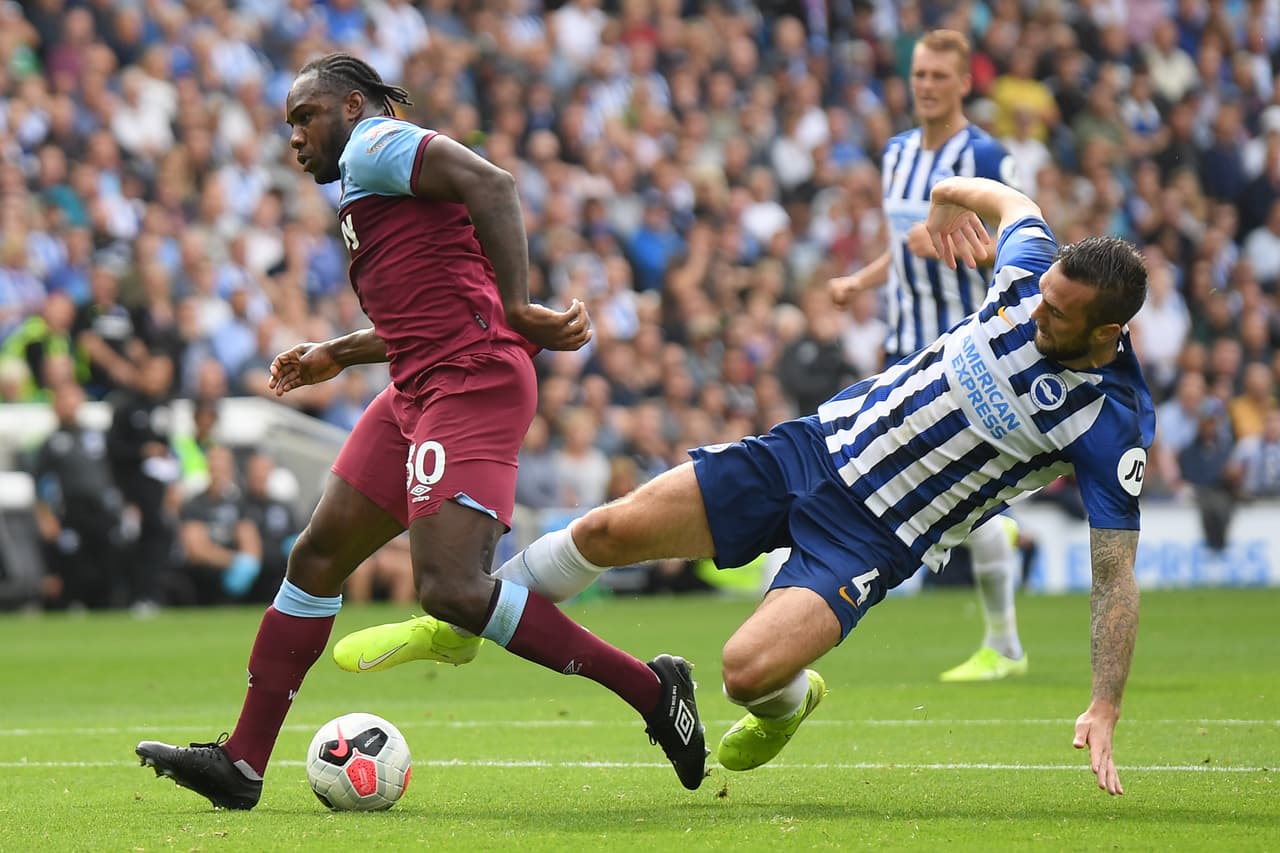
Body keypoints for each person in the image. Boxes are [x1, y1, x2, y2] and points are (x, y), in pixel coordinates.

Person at [345, 176, 1151, 796]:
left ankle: (792, 702)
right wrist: (942, 204)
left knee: (744, 672)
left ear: (1108, 332)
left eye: (1058, 315)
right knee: (605, 532)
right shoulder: (1031, 271)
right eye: (1043, 296)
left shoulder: (1110, 422)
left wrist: (1104, 703)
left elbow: (1115, 576)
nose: (1038, 311)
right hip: (809, 449)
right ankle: (452, 626)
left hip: (873, 536)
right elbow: (1008, 199)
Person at [135, 54, 705, 809]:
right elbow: (423, 308)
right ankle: (242, 763)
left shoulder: (374, 142)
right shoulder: (366, 188)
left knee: (452, 589)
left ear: (353, 106)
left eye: (306, 117)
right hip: (417, 383)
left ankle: (653, 689)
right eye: (287, 125)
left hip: (471, 380)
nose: (295, 137)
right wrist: (336, 350)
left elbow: (493, 183)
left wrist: (522, 304)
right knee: (317, 554)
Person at [828, 30, 1029, 682]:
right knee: (924, 484)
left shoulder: (985, 153)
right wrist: (862, 280)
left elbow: (1019, 248)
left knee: (962, 494)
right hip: (904, 343)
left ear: (964, 82)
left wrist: (942, 240)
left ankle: (1005, 643)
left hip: (967, 345)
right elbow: (902, 241)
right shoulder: (895, 153)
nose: (927, 85)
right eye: (919, 74)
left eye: (940, 75)